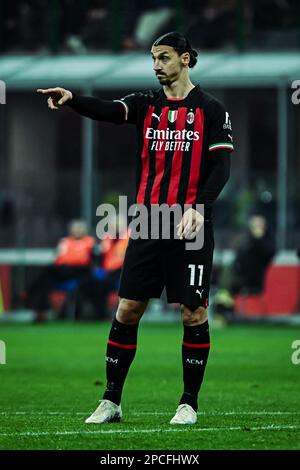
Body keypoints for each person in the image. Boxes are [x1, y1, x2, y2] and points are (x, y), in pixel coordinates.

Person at [37, 31, 234, 425]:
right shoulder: (147, 104)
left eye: (163, 58)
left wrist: (199, 206)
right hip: (147, 222)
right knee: (127, 309)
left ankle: (188, 403)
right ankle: (111, 401)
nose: (157, 65)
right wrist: (73, 99)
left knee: (193, 312)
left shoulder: (211, 110)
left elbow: (222, 166)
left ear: (186, 59)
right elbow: (108, 110)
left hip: (190, 226)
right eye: (153, 59)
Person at [23, 219, 99, 321]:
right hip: (64, 271)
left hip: (80, 271)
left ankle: (28, 292)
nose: (78, 231)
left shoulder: (90, 242)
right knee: (45, 278)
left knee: (49, 271)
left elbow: (95, 260)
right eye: (75, 228)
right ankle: (39, 310)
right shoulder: (65, 242)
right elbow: (57, 258)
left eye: (80, 228)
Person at [214, 213, 276, 319]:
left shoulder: (267, 242)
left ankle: (223, 302)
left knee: (227, 273)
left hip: (253, 279)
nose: (256, 228)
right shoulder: (246, 241)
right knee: (223, 270)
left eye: (258, 225)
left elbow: (269, 255)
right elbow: (238, 259)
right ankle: (223, 301)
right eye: (254, 225)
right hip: (239, 276)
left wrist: (258, 239)